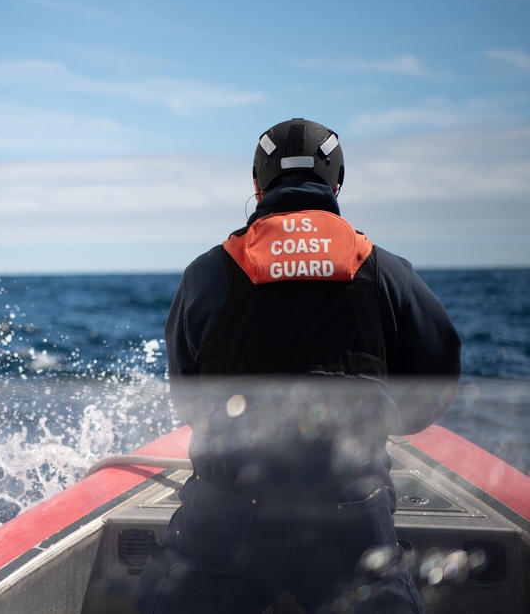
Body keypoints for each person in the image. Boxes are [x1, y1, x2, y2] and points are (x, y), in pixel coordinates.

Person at [133, 118, 462, 613]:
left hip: (226, 514)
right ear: (338, 181)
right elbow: (435, 382)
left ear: (257, 184)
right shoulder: (383, 268)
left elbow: (189, 399)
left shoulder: (208, 273)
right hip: (351, 518)